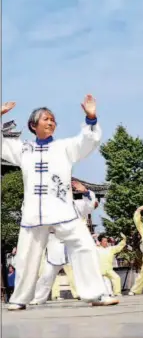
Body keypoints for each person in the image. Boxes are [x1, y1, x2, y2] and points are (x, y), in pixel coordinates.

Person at [1, 99, 118, 310]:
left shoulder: (64, 147)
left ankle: (96, 293)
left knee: (84, 245)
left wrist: (91, 117)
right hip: (33, 214)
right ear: (33, 126)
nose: (51, 122)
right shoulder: (23, 149)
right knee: (26, 257)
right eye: (46, 119)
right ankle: (19, 298)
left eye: (53, 119)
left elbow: (87, 141)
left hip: (62, 209)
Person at [30, 184, 98, 305]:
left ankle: (94, 294)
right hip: (55, 244)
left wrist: (86, 192)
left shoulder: (76, 205)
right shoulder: (48, 208)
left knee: (84, 271)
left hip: (74, 244)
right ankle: (39, 298)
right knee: (47, 273)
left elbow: (92, 205)